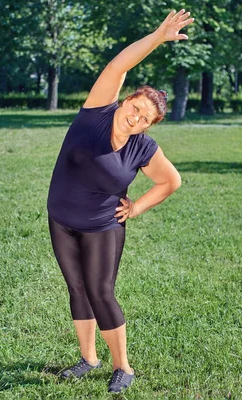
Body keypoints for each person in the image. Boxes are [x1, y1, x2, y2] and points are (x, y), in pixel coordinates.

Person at [46, 9, 194, 394]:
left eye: (144, 118)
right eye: (135, 107)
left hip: (102, 226)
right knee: (76, 288)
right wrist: (158, 36)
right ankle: (88, 358)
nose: (135, 118)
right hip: (61, 219)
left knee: (100, 291)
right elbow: (119, 63)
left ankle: (122, 367)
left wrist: (137, 207)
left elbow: (170, 181)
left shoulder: (142, 147)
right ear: (125, 100)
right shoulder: (96, 111)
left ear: (148, 127)